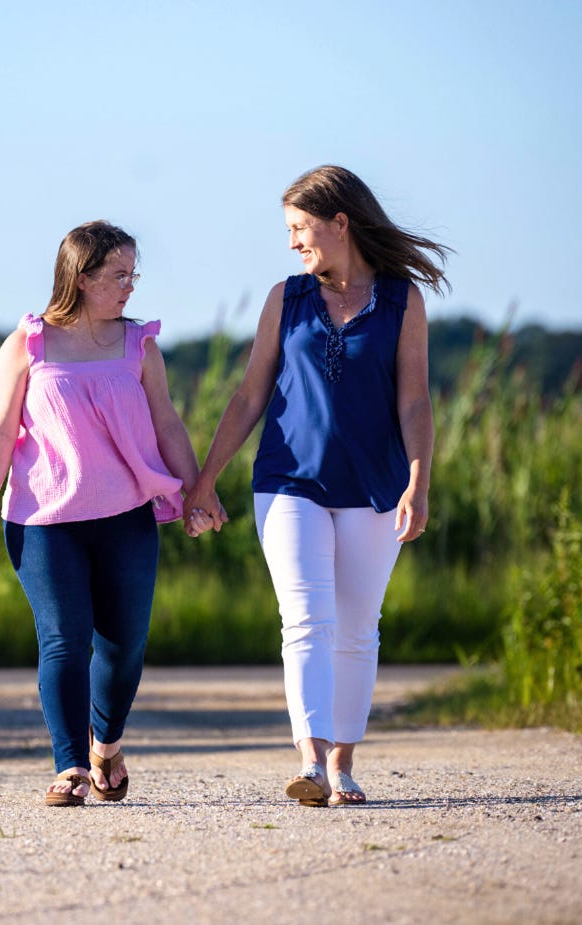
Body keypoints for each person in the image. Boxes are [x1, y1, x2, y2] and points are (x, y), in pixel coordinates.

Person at [185, 165, 451, 807]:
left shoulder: (402, 300)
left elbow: (414, 401)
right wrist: (205, 479)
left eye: (300, 227)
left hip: (376, 486)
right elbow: (250, 393)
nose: (292, 241)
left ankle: (342, 766)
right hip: (288, 481)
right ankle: (308, 759)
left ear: (341, 222)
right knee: (306, 619)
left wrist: (419, 481)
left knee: (358, 628)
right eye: (288, 230)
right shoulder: (288, 297)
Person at [0, 220, 210, 807]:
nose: (130, 285)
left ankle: (106, 743)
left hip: (125, 516)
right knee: (64, 639)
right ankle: (70, 767)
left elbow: (167, 423)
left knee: (124, 645)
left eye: (133, 273)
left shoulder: (139, 345)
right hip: (43, 518)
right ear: (81, 276)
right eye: (117, 274)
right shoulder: (27, 343)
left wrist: (199, 490)